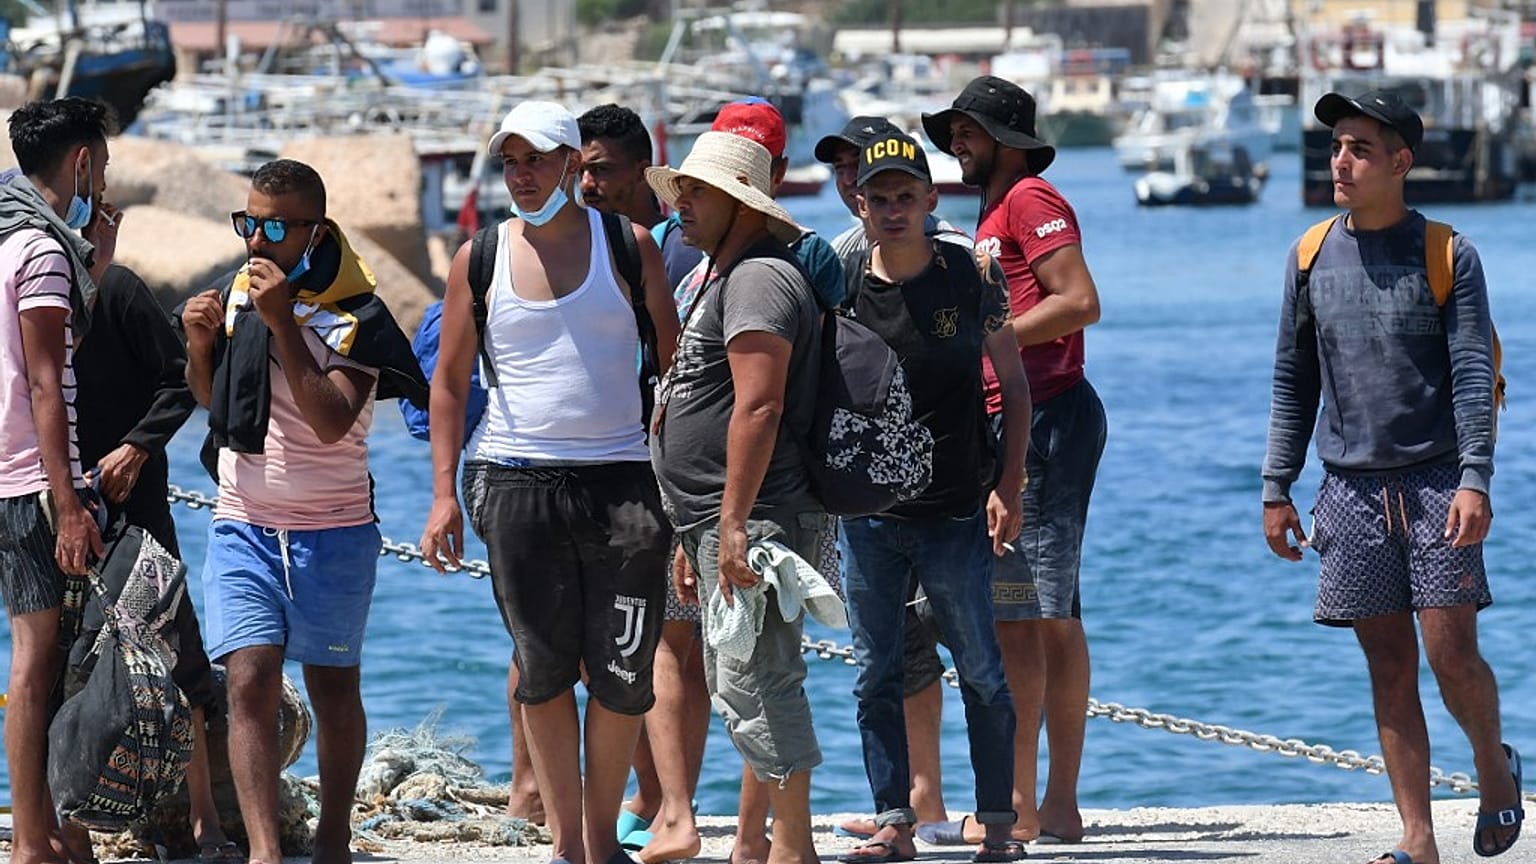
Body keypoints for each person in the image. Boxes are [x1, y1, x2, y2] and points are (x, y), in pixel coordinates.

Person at [1262, 90, 1522, 864]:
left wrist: (1477, 477)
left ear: (1400, 162)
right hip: (1348, 488)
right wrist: (1277, 485)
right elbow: (1291, 380)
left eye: (1360, 148)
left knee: (1450, 653)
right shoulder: (1309, 254)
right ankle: (1417, 837)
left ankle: (1492, 767)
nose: (1341, 160)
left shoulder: (1448, 252)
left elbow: (1475, 374)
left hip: (1440, 479)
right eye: (1337, 145)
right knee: (1388, 663)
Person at [418, 100, 678, 864]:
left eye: (536, 159)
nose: (522, 175)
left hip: (626, 486)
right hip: (515, 478)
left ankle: (600, 839)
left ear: (572, 163)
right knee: (543, 668)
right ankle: (573, 845)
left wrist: (689, 495)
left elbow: (672, 371)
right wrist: (442, 495)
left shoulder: (629, 247)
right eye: (510, 161)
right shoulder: (482, 256)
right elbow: (449, 383)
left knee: (625, 675)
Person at [181, 158, 427, 864]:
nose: (257, 241)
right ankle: (263, 851)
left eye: (276, 227)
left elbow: (330, 419)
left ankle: (333, 839)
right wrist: (203, 348)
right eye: (248, 223)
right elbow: (217, 403)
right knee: (249, 680)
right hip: (242, 522)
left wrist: (284, 322)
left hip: (335, 531)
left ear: (314, 230)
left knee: (331, 686)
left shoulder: (357, 312)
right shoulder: (239, 299)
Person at [836, 130, 1031, 864]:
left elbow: (1013, 386)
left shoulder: (969, 276)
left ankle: (998, 827)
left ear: (930, 201)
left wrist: (1007, 487)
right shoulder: (841, 280)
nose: (892, 209)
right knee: (875, 672)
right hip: (868, 517)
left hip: (955, 510)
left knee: (981, 667)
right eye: (878, 197)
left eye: (905, 197)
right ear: (860, 204)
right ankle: (894, 822)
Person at [921, 75, 1106, 845]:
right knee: (1051, 616)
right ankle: (1055, 804)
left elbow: (1080, 300)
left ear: (1003, 137)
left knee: (1023, 617)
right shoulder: (995, 213)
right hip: (1028, 420)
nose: (955, 144)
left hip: (1048, 419)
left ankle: (1025, 805)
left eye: (966, 131)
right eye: (954, 131)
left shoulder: (1030, 199)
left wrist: (983, 339)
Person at [644, 130, 827, 864]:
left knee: (759, 678)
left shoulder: (757, 278)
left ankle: (794, 849)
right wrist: (698, 528)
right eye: (680, 190)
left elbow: (760, 407)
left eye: (697, 193)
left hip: (755, 516)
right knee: (741, 679)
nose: (681, 204)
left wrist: (732, 524)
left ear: (739, 201)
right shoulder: (728, 273)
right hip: (719, 518)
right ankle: (785, 846)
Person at [814, 114, 969, 844]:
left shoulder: (959, 259)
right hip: (872, 487)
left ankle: (1005, 810)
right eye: (845, 169)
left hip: (954, 487)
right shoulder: (838, 262)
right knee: (892, 651)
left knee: (979, 645)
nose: (853, 181)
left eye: (865, 168)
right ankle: (915, 803)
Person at [574, 104, 708, 863]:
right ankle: (649, 797)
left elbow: (678, 353)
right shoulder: (578, 240)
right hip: (603, 459)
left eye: (601, 170)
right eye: (581, 169)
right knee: (610, 637)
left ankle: (666, 803)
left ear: (638, 170)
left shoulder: (676, 248)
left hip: (659, 462)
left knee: (669, 639)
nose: (587, 183)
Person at [73, 262, 241, 863]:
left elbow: (176, 383)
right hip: (48, 504)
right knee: (60, 663)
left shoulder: (118, 291)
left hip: (134, 503)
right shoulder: (21, 288)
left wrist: (137, 448)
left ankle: (205, 821)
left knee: (179, 655)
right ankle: (71, 831)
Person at [0, 96, 116, 864]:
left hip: (7, 476)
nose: (102, 179)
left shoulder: (10, 240)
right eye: (99, 166)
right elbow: (46, 381)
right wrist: (67, 500)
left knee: (38, 658)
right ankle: (37, 843)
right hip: (32, 483)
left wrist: (98, 250)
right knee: (40, 663)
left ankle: (48, 833)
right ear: (79, 161)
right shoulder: (40, 252)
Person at [815, 116, 972, 261]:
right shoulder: (841, 252)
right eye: (839, 168)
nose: (848, 180)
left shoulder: (959, 257)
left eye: (859, 165)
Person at [579, 103, 664, 230]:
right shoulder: (581, 246)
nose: (585, 184)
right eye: (580, 172)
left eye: (599, 169)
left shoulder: (683, 246)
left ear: (642, 172)